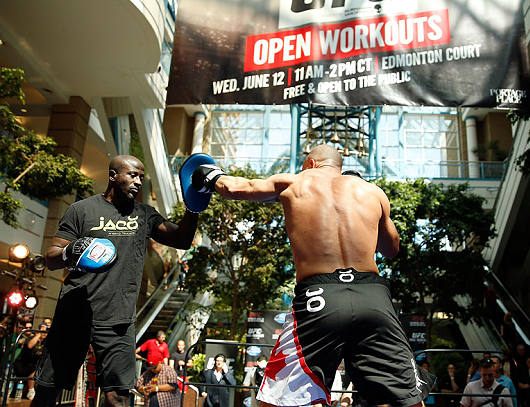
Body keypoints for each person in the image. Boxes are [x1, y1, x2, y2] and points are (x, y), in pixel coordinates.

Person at [191, 145, 435, 407]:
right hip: (373, 296)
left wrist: (208, 175)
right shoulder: (372, 191)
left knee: (286, 397)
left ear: (310, 163)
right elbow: (391, 249)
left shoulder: (296, 181)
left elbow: (235, 188)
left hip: (320, 295)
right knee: (404, 396)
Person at [31, 155, 199, 407]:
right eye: (132, 175)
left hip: (119, 319)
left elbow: (181, 240)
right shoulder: (82, 210)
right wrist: (73, 250)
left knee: (118, 397)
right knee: (48, 391)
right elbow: (52, 257)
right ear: (112, 176)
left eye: (141, 177)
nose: (138, 181)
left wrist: (193, 207)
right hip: (75, 313)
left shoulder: (144, 214)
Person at [15, 323, 50, 400]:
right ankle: (31, 391)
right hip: (22, 364)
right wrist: (39, 334)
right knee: (34, 371)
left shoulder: (46, 343)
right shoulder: (32, 338)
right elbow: (30, 345)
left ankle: (32, 392)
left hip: (33, 366)